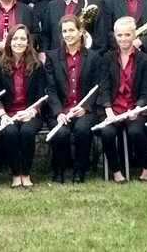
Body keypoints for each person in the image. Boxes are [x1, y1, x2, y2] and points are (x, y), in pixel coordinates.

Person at [44, 14, 103, 183]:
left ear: (81, 32)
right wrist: (58, 112)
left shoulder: (93, 57)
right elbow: (50, 89)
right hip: (60, 109)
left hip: (85, 109)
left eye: (72, 30)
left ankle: (80, 169)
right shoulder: (52, 57)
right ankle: (59, 169)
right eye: (64, 31)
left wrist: (85, 107)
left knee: (82, 130)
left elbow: (96, 87)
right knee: (60, 132)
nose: (68, 34)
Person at [96, 16, 147, 182]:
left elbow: (146, 91)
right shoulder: (107, 58)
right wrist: (107, 109)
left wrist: (138, 108)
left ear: (134, 35)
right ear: (115, 36)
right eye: (119, 35)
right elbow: (104, 87)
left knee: (135, 131)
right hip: (113, 108)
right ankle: (116, 171)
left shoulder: (145, 60)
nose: (123, 39)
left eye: (127, 35)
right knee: (107, 133)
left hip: (135, 108)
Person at [0, 24, 48, 188]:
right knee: (10, 132)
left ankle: (26, 173)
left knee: (27, 131)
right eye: (15, 39)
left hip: (30, 113)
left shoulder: (36, 64)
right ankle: (16, 174)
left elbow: (41, 96)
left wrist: (33, 111)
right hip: (6, 113)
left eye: (23, 39)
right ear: (9, 41)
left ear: (28, 42)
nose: (19, 42)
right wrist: (2, 115)